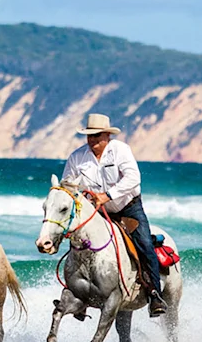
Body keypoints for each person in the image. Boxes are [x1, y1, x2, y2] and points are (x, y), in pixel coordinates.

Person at [61, 113, 168, 317]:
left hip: (128, 208)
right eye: (89, 136)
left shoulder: (120, 150)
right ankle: (77, 294)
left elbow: (133, 178)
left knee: (144, 244)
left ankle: (155, 294)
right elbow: (68, 185)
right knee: (78, 244)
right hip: (97, 212)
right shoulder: (77, 157)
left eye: (97, 135)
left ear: (107, 136)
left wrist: (107, 196)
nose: (92, 140)